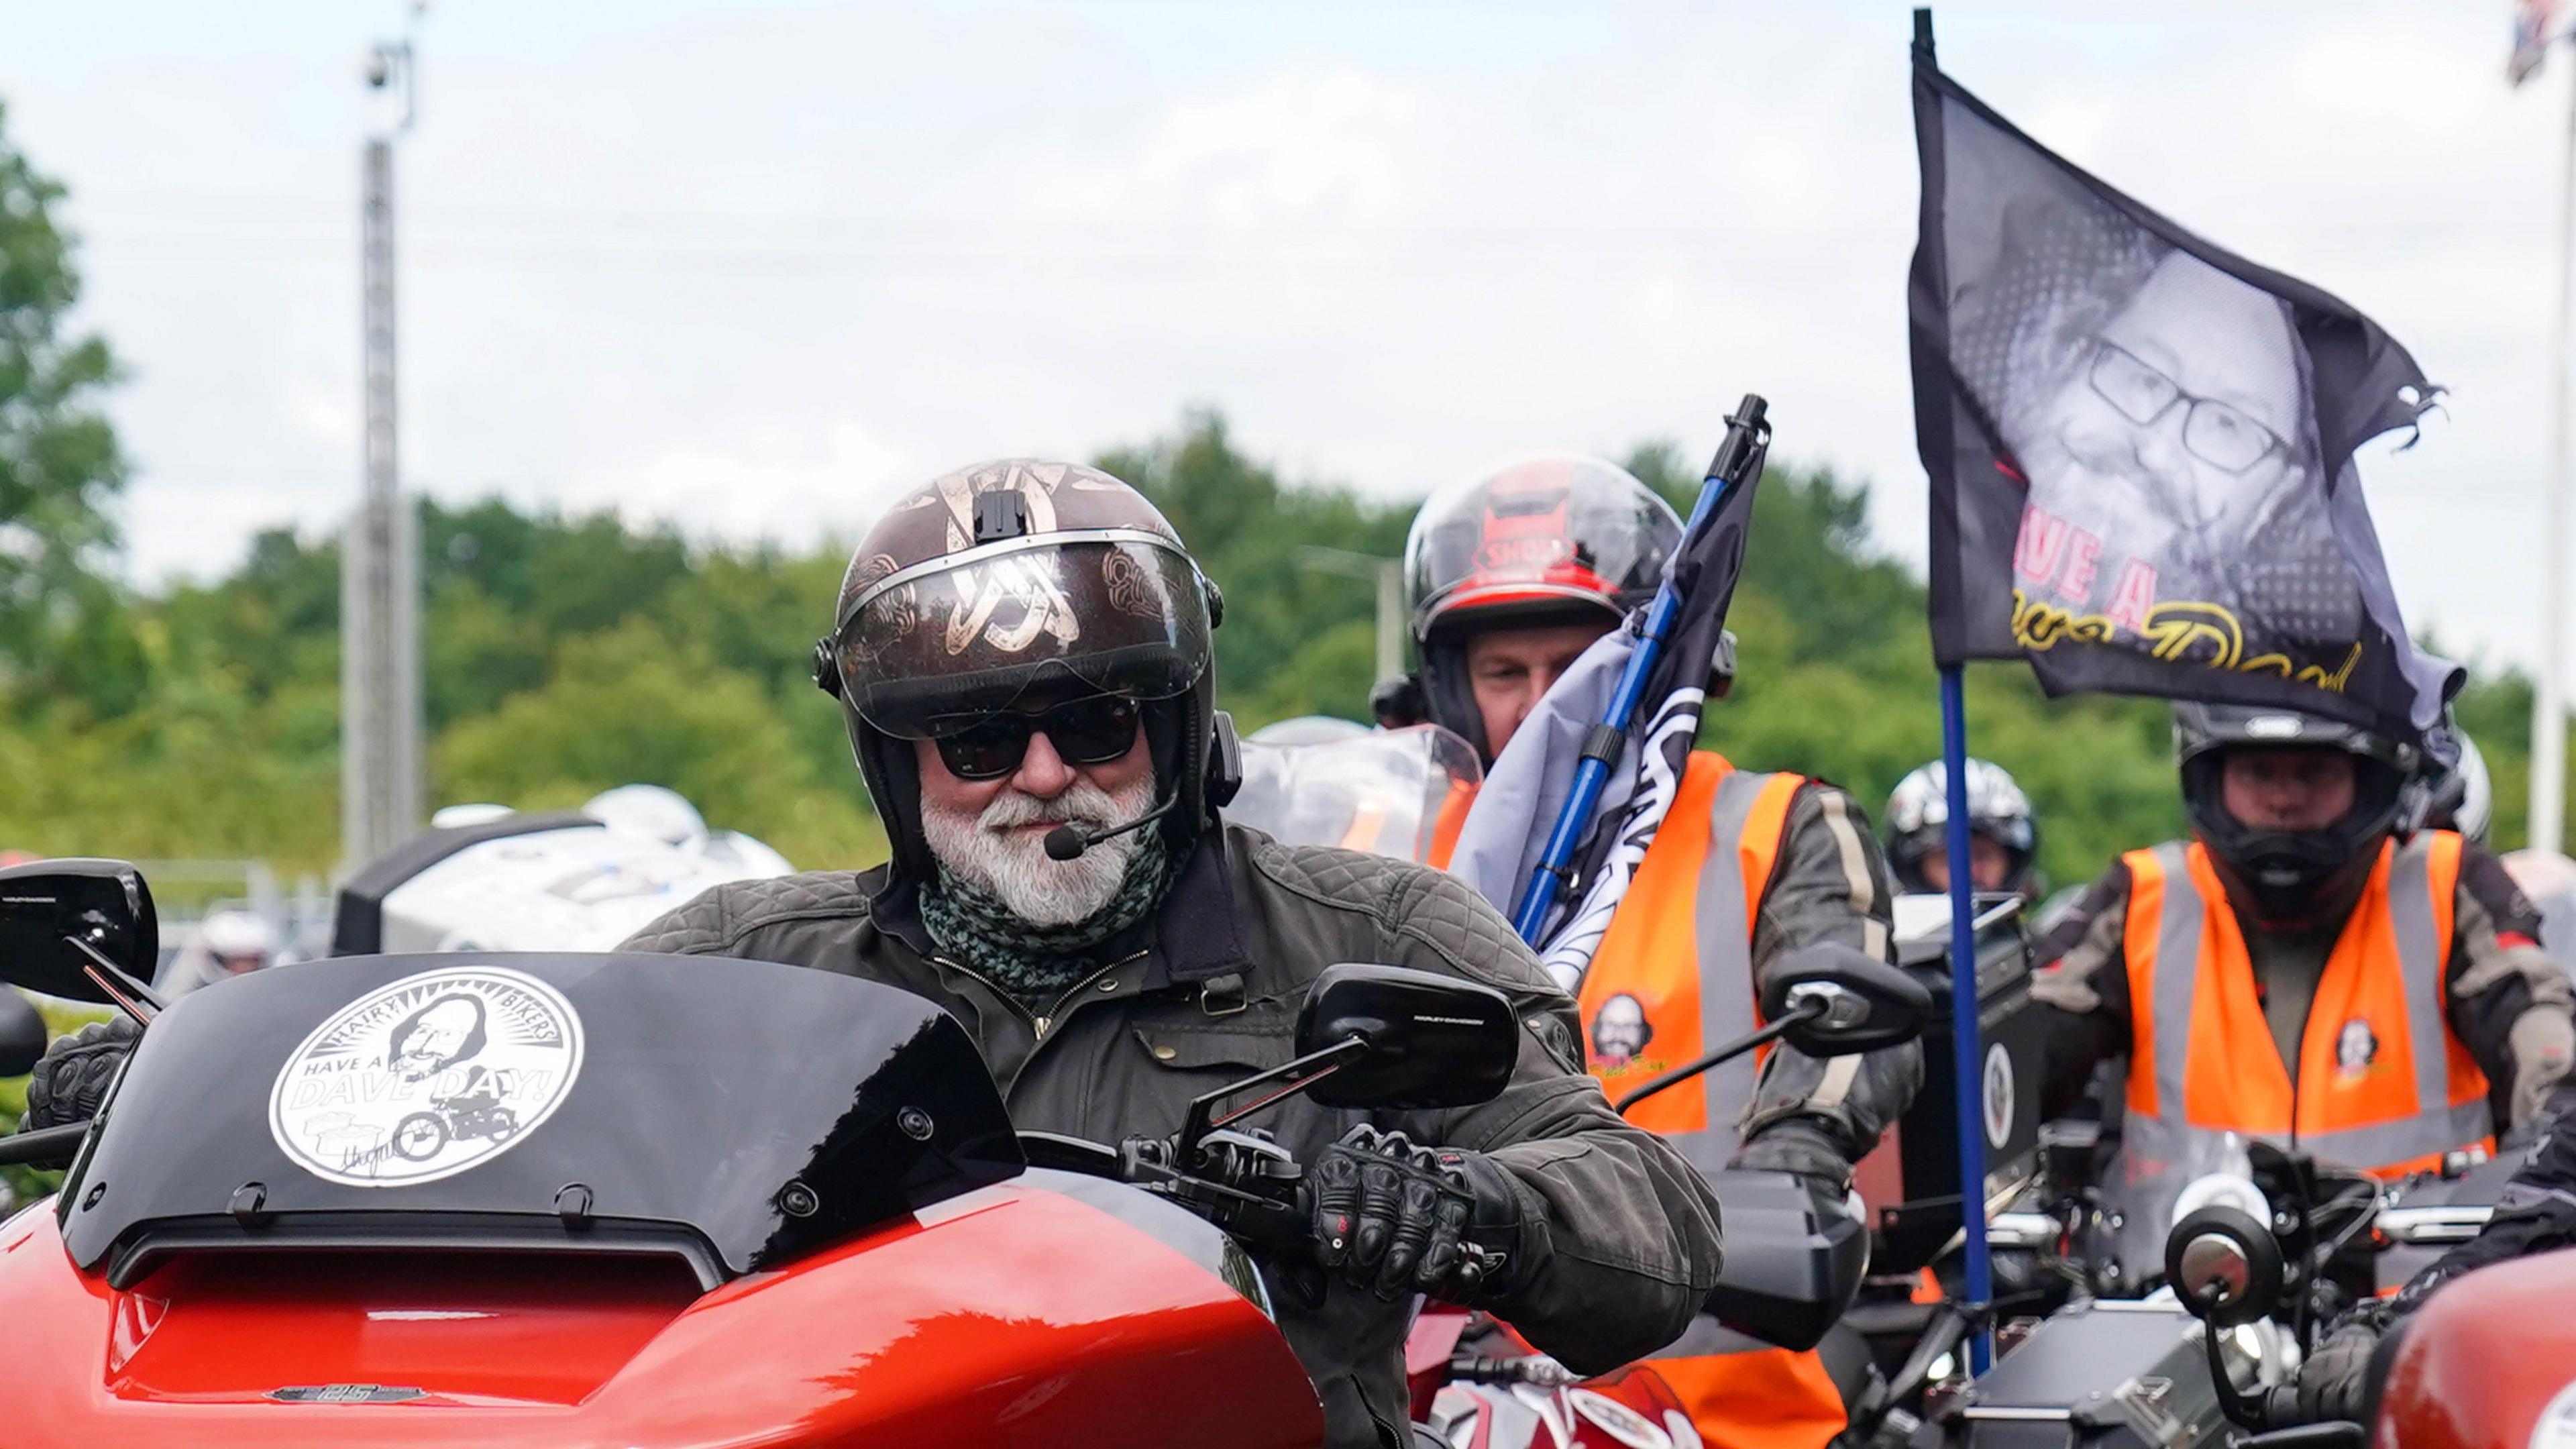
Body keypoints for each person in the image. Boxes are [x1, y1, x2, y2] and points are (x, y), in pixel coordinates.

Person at [552, 458, 1715, 1449]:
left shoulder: (1377, 932)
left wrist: (1467, 1210)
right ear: (901, 769)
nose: (1047, 773)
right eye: (981, 737)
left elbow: (1653, 1221)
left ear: (1173, 726)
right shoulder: (745, 970)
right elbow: (523, 1132)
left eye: (1099, 722)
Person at [1389, 455, 1917, 1449]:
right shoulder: (1389, 846)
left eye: (1580, 669)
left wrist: (1795, 1158)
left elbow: (1848, 1026)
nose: (1543, 704)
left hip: (1711, 1388)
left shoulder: (1777, 824)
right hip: (1421, 1383)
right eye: (1507, 673)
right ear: (1451, 686)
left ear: (1665, 665)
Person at [2031, 702, 2576, 1275]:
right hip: (2166, 1305)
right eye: (2259, 773)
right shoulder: (2141, 898)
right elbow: (2020, 1050)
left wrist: (2556, 1123)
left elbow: (2540, 1031)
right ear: (2210, 776)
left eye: (2313, 774)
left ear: (2369, 778)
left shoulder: (2447, 884)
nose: (2284, 799)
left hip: (2412, 1317)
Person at [1881, 758, 2043, 899]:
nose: (1970, 873)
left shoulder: (2046, 934)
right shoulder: (1878, 935)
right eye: (1950, 860)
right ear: (1914, 871)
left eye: (1983, 856)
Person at [157, 908, 282, 1000]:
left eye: (254, 961)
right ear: (214, 958)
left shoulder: (273, 997)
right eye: (237, 961)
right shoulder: (182, 1002)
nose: (246, 968)